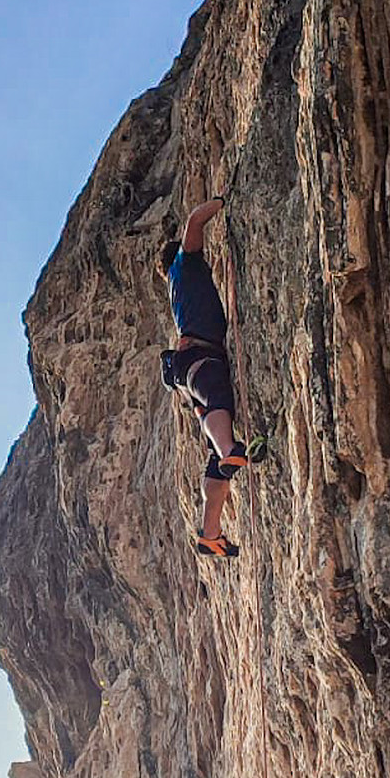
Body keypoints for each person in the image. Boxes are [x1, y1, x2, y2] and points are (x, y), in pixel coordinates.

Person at [160, 195, 251, 557]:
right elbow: (195, 221)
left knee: (216, 458)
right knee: (218, 397)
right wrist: (224, 199)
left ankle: (210, 534)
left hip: (188, 367)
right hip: (200, 357)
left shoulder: (176, 286)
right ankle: (229, 450)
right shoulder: (184, 265)